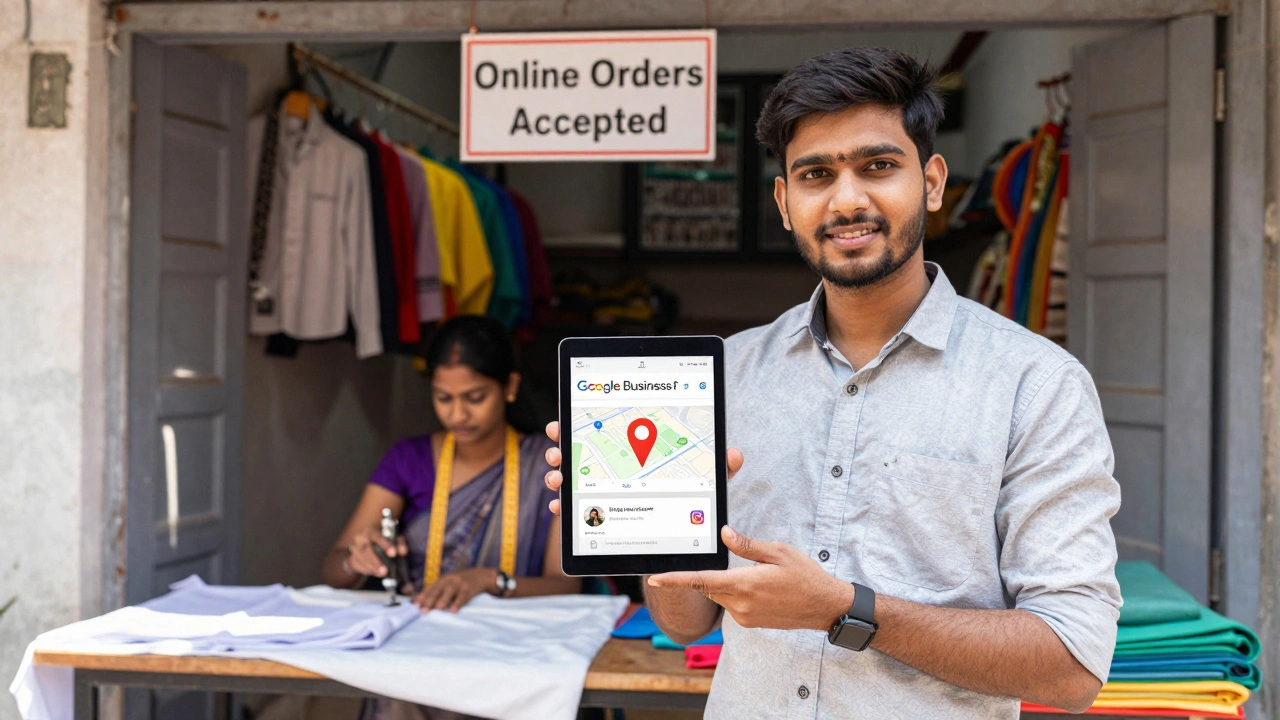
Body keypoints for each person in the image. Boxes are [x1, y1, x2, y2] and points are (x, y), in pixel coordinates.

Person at [544, 47, 1122, 718]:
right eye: (817, 174)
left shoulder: (1035, 386)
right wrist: (647, 526)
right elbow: (686, 623)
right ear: (786, 203)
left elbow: (1074, 666)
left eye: (878, 166)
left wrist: (847, 611)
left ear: (932, 182)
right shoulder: (726, 375)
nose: (848, 200)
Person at [323, 315, 581, 719]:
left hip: (517, 658)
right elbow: (334, 570)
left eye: (474, 397)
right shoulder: (407, 460)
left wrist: (489, 580)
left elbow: (567, 586)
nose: (457, 413)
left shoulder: (548, 464)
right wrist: (356, 559)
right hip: (417, 657)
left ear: (509, 387)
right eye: (444, 398)